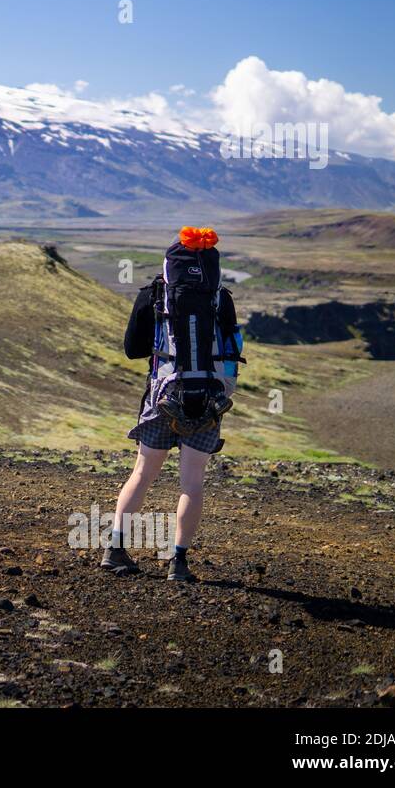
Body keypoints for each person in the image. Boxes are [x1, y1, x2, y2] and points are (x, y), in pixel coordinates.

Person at [101, 227, 241, 582]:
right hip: (208, 401)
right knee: (192, 483)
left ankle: (115, 549)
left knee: (143, 474)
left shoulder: (154, 294)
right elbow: (232, 349)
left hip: (163, 398)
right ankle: (178, 563)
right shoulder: (221, 299)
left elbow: (133, 348)